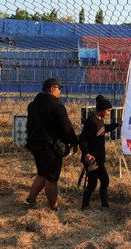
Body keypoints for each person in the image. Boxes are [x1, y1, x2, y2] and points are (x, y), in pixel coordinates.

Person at [24, 78, 78, 211]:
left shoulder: (32, 105)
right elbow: (66, 126)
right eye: (59, 88)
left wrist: (30, 143)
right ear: (52, 88)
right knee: (52, 178)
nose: (60, 91)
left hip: (36, 145)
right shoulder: (56, 105)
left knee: (42, 174)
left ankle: (30, 200)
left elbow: (29, 126)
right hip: (50, 147)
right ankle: (54, 208)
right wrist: (74, 142)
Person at [79, 95, 122, 210]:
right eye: (108, 111)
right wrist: (86, 154)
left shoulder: (100, 120)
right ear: (102, 109)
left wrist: (116, 125)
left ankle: (105, 205)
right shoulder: (91, 121)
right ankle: (85, 205)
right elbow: (83, 139)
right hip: (92, 159)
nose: (108, 113)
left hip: (99, 158)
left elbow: (103, 129)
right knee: (92, 184)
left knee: (105, 180)